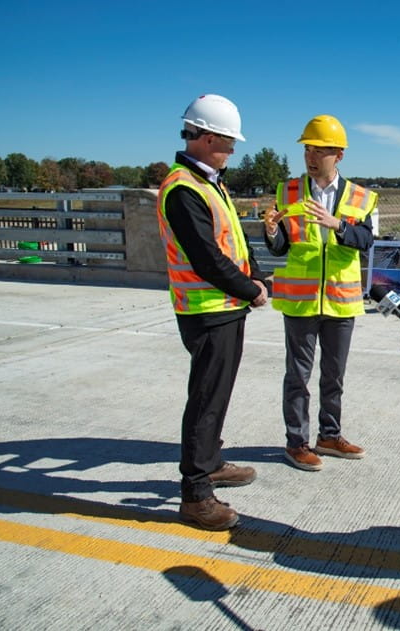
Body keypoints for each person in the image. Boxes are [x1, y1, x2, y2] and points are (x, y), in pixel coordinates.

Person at [156, 94, 267, 531]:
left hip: (225, 306)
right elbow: (205, 259)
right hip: (207, 310)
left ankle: (212, 461)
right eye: (226, 142)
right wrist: (250, 291)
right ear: (203, 138)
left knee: (216, 395)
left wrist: (256, 276)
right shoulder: (182, 189)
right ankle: (196, 494)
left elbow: (234, 240)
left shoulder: (209, 182)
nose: (233, 150)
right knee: (205, 398)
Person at [264, 114, 377, 472]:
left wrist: (338, 225)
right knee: (297, 375)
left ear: (338, 155)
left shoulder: (363, 198)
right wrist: (270, 233)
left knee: (334, 375)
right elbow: (282, 247)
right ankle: (296, 443)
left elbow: (367, 240)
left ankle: (329, 436)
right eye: (307, 150)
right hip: (299, 300)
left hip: (341, 301)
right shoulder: (288, 192)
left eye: (320, 151)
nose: (311, 157)